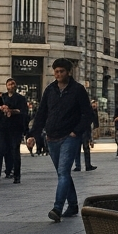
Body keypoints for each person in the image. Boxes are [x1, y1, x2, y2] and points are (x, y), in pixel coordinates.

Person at [26, 59, 92, 222]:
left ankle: (57, 207)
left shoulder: (78, 90)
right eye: (56, 71)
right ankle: (73, 205)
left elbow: (88, 114)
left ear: (68, 72)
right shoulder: (50, 90)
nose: (58, 74)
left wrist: (76, 132)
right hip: (52, 137)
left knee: (63, 172)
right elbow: (41, 113)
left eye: (62, 71)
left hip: (69, 137)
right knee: (62, 173)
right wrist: (33, 134)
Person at [0, 78, 28, 184]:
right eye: (9, 84)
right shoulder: (2, 97)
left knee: (15, 152)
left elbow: (23, 112)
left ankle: (17, 176)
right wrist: (1, 108)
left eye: (13, 84)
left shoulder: (20, 98)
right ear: (6, 86)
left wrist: (12, 111)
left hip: (15, 129)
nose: (11, 86)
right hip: (2, 128)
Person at [74, 97, 99, 172]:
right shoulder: (85, 109)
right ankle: (85, 165)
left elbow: (93, 120)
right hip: (82, 130)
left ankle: (81, 166)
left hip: (81, 130)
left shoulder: (83, 109)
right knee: (82, 148)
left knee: (81, 148)